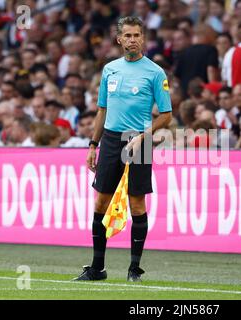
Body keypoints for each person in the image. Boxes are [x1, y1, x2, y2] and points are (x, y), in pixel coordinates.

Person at [74, 17, 172, 282]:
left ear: (143, 39)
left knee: (137, 204)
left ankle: (134, 269)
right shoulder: (110, 70)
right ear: (119, 39)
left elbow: (166, 115)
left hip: (138, 140)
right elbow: (102, 110)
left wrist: (144, 137)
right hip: (110, 140)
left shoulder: (155, 72)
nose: (132, 40)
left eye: (137, 35)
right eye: (127, 35)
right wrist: (93, 144)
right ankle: (97, 268)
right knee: (101, 202)